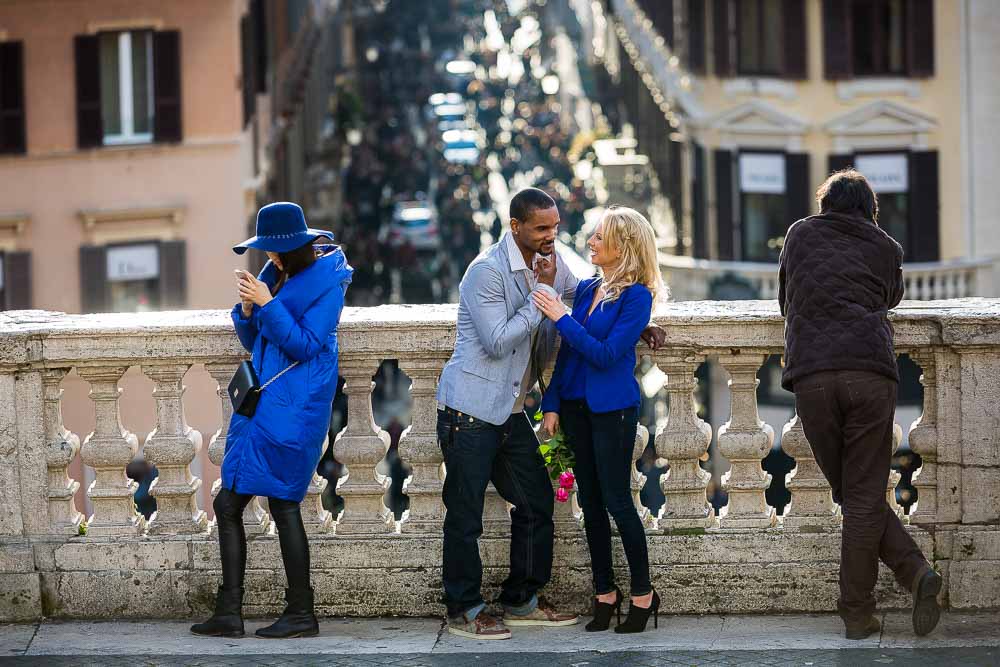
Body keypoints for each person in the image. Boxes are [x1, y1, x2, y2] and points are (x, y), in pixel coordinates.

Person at [778, 170, 941, 640]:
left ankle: (865, 607)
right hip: (870, 374)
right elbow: (892, 297)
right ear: (870, 209)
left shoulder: (800, 233)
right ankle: (903, 581)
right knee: (861, 496)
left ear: (826, 205)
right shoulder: (886, 246)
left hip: (813, 377)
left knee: (855, 495)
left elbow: (785, 299)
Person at [191, 202, 352, 640]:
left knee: (281, 503)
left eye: (275, 252)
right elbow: (255, 338)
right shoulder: (272, 277)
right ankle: (236, 612)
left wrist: (267, 304)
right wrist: (248, 311)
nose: (269, 259)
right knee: (234, 504)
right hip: (266, 404)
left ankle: (298, 613)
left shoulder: (327, 284)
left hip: (295, 409)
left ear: (295, 248)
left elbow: (304, 345)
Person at [533, 207, 664, 634]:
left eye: (599, 237)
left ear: (623, 246)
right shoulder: (589, 285)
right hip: (573, 406)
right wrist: (550, 402)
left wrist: (561, 317)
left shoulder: (637, 297)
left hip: (613, 410)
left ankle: (643, 594)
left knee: (617, 501)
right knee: (589, 504)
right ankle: (604, 593)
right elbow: (568, 355)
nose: (590, 241)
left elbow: (607, 355)